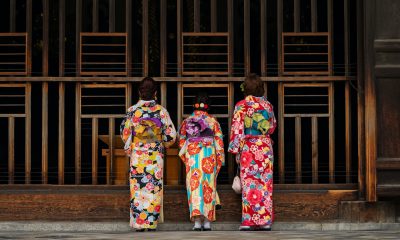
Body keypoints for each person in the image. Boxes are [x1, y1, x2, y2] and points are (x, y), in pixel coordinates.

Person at [120, 77, 176, 231]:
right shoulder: (161, 111)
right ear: (155, 93)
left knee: (138, 188)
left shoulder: (132, 111)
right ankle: (151, 223)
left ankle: (139, 223)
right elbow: (171, 135)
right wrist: (162, 142)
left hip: (138, 155)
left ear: (139, 92)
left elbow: (125, 133)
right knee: (153, 188)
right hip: (154, 156)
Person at [228, 74, 277, 231]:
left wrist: (235, 149)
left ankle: (249, 221)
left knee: (249, 183)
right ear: (261, 88)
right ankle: (265, 221)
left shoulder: (241, 105)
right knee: (265, 183)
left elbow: (237, 129)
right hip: (264, 146)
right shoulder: (268, 106)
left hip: (249, 146)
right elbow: (272, 126)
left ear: (245, 89)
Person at [178, 92, 225, 231]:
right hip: (209, 155)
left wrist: (186, 157)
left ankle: (197, 222)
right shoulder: (213, 121)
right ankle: (208, 222)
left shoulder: (187, 121)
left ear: (194, 105)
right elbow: (219, 142)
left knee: (194, 187)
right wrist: (219, 159)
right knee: (208, 186)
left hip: (193, 156)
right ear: (208, 106)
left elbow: (181, 141)